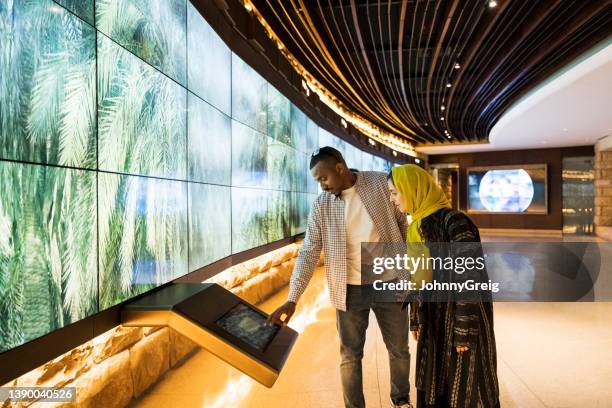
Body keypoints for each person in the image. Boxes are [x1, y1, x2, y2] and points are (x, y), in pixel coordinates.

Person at [267, 147, 413, 408]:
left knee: (399, 350)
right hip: (350, 290)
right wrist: (292, 299)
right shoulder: (322, 205)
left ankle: (401, 400)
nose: (322, 186)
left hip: (390, 281)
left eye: (323, 179)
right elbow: (309, 251)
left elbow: (403, 226)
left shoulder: (380, 183)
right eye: (317, 182)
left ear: (339, 168)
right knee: (350, 356)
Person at [388, 164, 500, 408]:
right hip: (434, 318)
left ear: (413, 189)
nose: (392, 199)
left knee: (466, 386)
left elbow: (469, 278)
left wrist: (464, 330)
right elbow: (416, 277)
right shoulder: (416, 227)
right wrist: (416, 318)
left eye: (395, 192)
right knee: (434, 383)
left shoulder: (455, 222)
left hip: (460, 317)